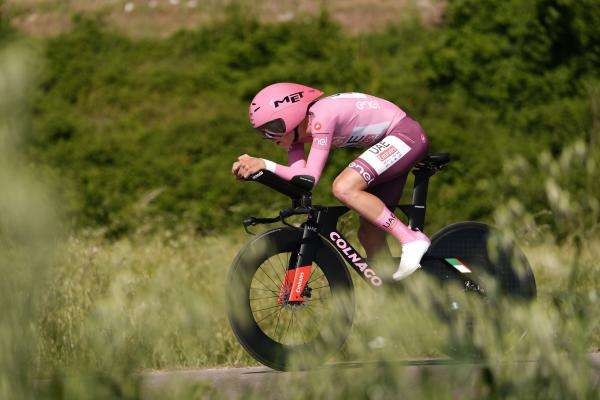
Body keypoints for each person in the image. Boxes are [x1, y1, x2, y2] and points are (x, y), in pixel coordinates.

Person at [232, 82, 430, 280]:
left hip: (405, 135)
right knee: (370, 236)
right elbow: (299, 179)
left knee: (344, 187)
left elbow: (310, 178)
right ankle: (397, 294)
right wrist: (255, 173)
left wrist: (264, 163)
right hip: (390, 143)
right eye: (263, 132)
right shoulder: (296, 136)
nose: (271, 138)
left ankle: (411, 239)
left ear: (290, 116)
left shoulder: (322, 117)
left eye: (272, 128)